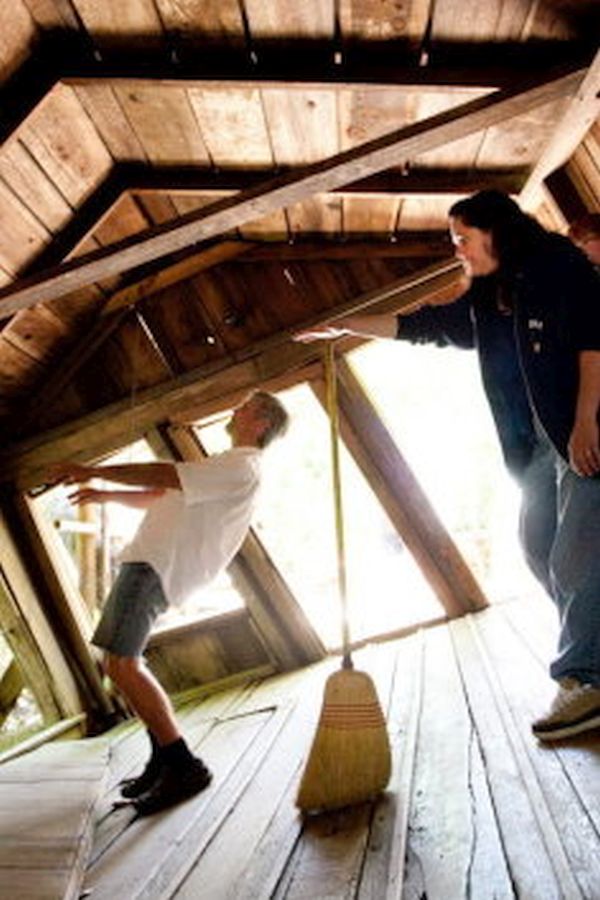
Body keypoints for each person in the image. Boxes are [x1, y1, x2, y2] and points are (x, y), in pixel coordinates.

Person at [296, 189, 600, 742]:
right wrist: (347, 326)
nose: (457, 250)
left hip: (582, 431)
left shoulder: (558, 264)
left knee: (576, 555)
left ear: (496, 231)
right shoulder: (489, 295)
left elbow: (593, 340)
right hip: (533, 448)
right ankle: (594, 650)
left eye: (463, 238)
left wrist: (587, 420)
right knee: (539, 550)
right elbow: (427, 326)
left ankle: (585, 678)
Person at [48, 391, 289, 815]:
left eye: (246, 408)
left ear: (262, 423)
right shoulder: (223, 467)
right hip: (149, 563)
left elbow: (164, 474)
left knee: (122, 663)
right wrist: (104, 494)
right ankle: (163, 756)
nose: (235, 409)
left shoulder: (241, 464)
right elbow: (162, 494)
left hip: (154, 566)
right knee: (119, 663)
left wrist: (91, 470)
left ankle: (183, 764)